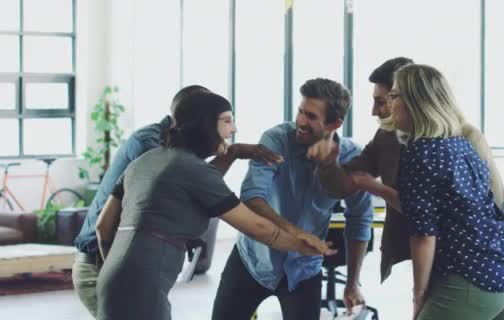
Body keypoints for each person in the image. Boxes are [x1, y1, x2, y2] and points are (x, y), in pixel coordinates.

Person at [94, 88, 334, 320]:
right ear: (206, 124)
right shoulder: (194, 170)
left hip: (112, 277)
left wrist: (119, 272)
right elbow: (259, 229)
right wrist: (303, 244)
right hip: (145, 283)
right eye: (227, 121)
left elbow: (103, 227)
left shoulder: (146, 161)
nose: (234, 129)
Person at [310, 57, 504, 285]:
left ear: (409, 99)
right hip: (427, 254)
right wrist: (327, 165)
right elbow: (346, 183)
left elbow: (493, 210)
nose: (374, 111)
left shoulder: (465, 138)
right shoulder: (388, 136)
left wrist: (376, 188)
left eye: (383, 101)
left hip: (466, 264)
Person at [348, 64, 504, 319]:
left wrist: (419, 296)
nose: (388, 102)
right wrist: (374, 186)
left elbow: (423, 233)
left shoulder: (421, 152)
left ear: (416, 102)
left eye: (395, 95)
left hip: (470, 283)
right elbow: (424, 208)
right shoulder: (459, 142)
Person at [211, 78, 374, 320]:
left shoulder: (353, 157)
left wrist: (352, 283)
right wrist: (295, 233)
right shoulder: (276, 140)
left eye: (311, 116)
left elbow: (360, 219)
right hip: (253, 261)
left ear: (335, 123)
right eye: (300, 111)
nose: (300, 121)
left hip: (304, 271)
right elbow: (252, 197)